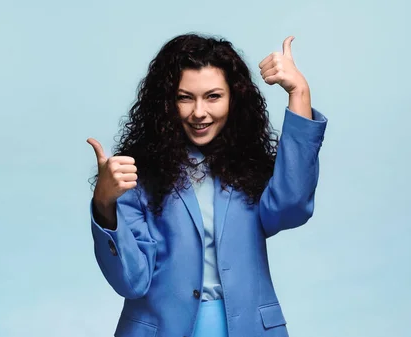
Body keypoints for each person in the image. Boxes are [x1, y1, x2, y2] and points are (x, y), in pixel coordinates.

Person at [86, 33, 327, 337]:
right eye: (184, 97)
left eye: (213, 96)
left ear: (233, 99)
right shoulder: (137, 173)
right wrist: (104, 205)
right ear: (165, 103)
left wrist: (299, 93)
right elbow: (131, 281)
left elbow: (292, 208)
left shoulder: (249, 168)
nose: (199, 112)